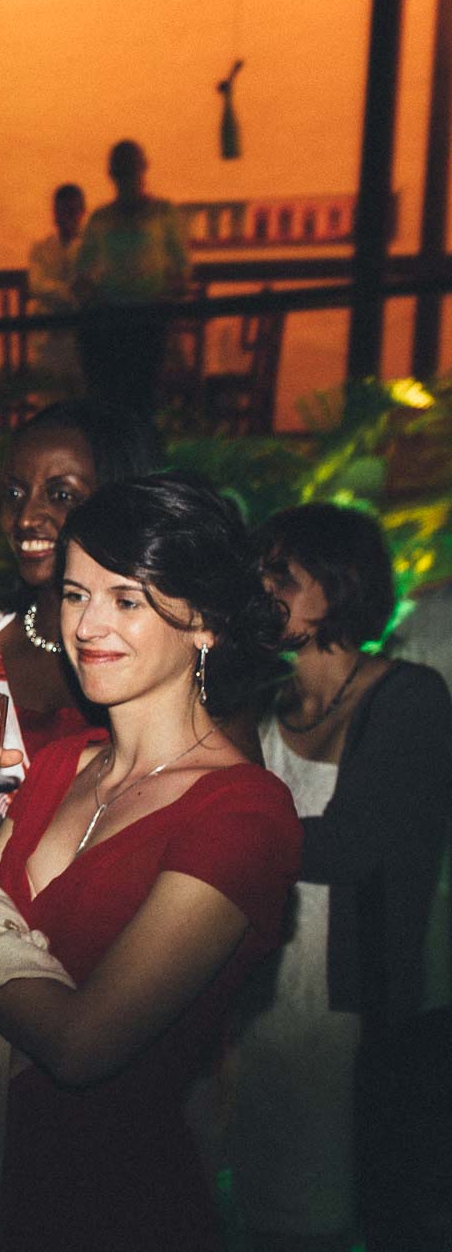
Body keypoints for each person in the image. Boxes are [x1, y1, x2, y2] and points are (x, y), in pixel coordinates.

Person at [0, 473, 298, 1251]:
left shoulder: (244, 813)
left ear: (206, 621)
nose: (88, 624)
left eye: (127, 599)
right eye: (77, 595)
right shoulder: (59, 768)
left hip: (111, 1204)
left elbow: (84, 1044)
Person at [224, 505, 452, 1251]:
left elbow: (351, 845)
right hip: (257, 1002)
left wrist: (209, 843)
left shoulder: (411, 697)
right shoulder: (262, 700)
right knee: (251, 1211)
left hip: (354, 1016)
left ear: (340, 587)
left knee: (334, 1218)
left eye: (280, 576)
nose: (262, 589)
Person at [0, 401, 160, 848]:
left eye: (61, 495)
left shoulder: (159, 654)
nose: (25, 519)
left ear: (117, 503)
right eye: (15, 494)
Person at [73, 140, 192, 415]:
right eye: (121, 171)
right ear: (112, 175)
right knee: (108, 394)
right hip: (109, 321)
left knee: (143, 393)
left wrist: (168, 294)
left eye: (131, 169)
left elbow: (182, 265)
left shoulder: (163, 213)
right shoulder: (101, 218)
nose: (127, 178)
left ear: (143, 169)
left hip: (149, 318)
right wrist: (90, 299)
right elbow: (80, 270)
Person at [27, 184, 86, 381]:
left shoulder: (89, 249)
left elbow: (91, 287)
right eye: (62, 211)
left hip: (80, 337)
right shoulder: (40, 249)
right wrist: (71, 293)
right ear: (54, 212)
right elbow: (37, 286)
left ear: (81, 213)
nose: (65, 217)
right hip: (48, 337)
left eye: (71, 211)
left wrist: (56, 291)